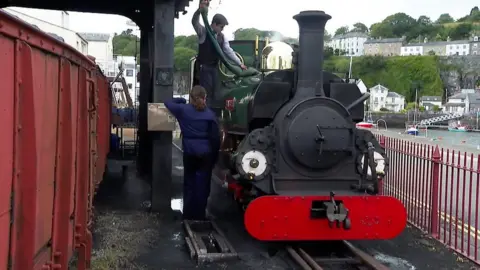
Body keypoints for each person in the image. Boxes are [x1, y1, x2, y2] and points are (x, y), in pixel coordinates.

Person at [164, 86, 221, 220]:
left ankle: (188, 215)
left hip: (189, 153)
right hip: (205, 155)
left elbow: (167, 102)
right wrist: (214, 158)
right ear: (204, 98)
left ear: (191, 97)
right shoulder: (210, 115)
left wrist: (181, 100)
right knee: (203, 185)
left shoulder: (182, 110)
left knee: (189, 184)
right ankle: (200, 215)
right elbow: (215, 139)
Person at [192, 0, 247, 106]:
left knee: (216, 94)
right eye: (221, 27)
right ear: (214, 24)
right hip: (204, 68)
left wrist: (239, 63)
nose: (222, 29)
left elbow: (228, 51)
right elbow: (194, 22)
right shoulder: (203, 32)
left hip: (214, 68)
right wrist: (200, 10)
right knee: (206, 94)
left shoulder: (222, 37)